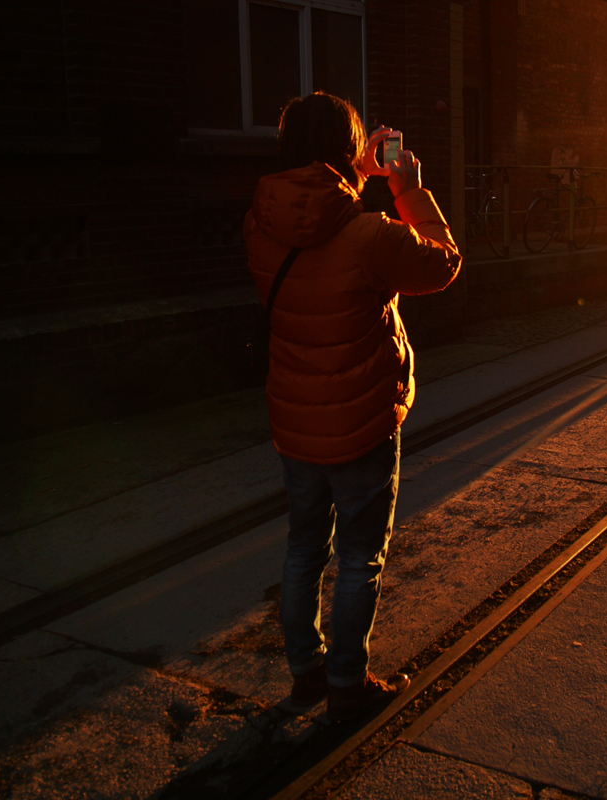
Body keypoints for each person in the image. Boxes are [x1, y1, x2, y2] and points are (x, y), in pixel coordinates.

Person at [244, 92, 462, 722]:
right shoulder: (371, 235)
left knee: (303, 548)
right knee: (361, 555)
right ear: (347, 148)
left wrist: (357, 174)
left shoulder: (259, 221)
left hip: (294, 420)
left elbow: (314, 218)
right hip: (361, 422)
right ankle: (347, 682)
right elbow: (442, 263)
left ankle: (307, 672)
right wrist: (407, 187)